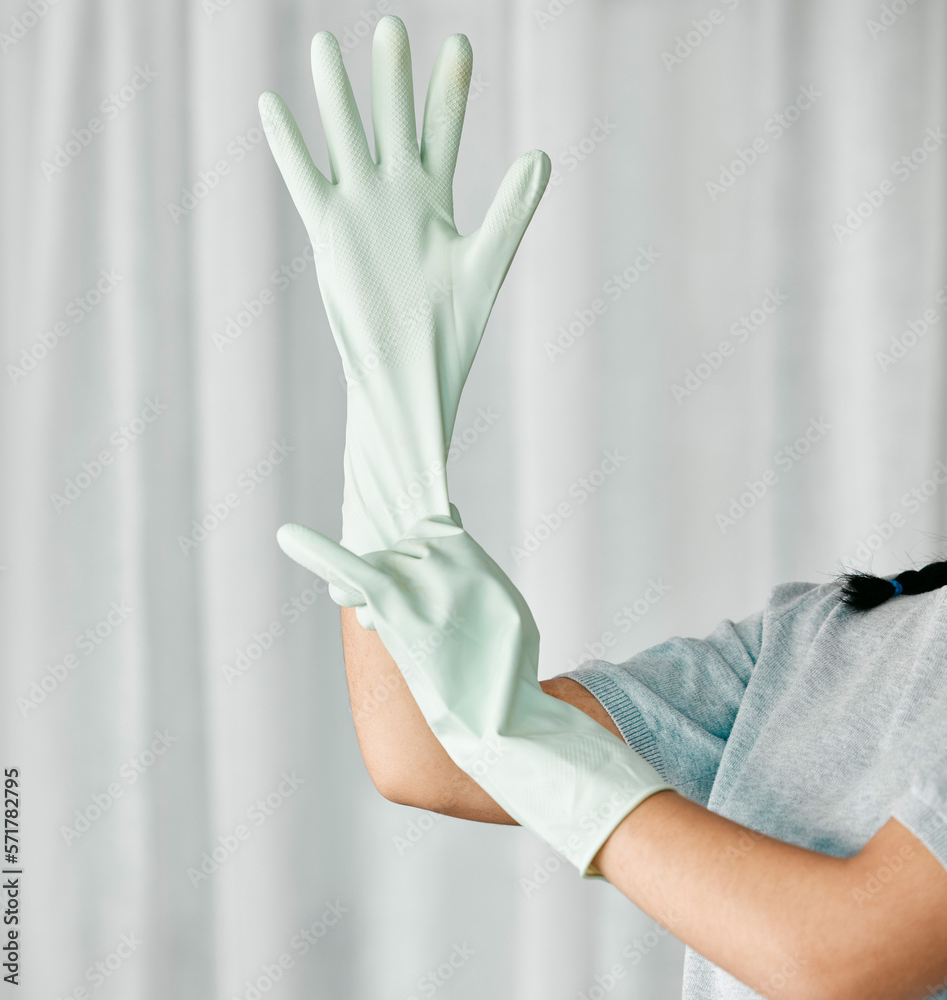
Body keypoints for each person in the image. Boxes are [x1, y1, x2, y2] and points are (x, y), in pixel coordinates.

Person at [259, 15, 947, 999]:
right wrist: (392, 422)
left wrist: (534, 745)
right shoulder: (826, 637)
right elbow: (428, 752)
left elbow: (847, 955)